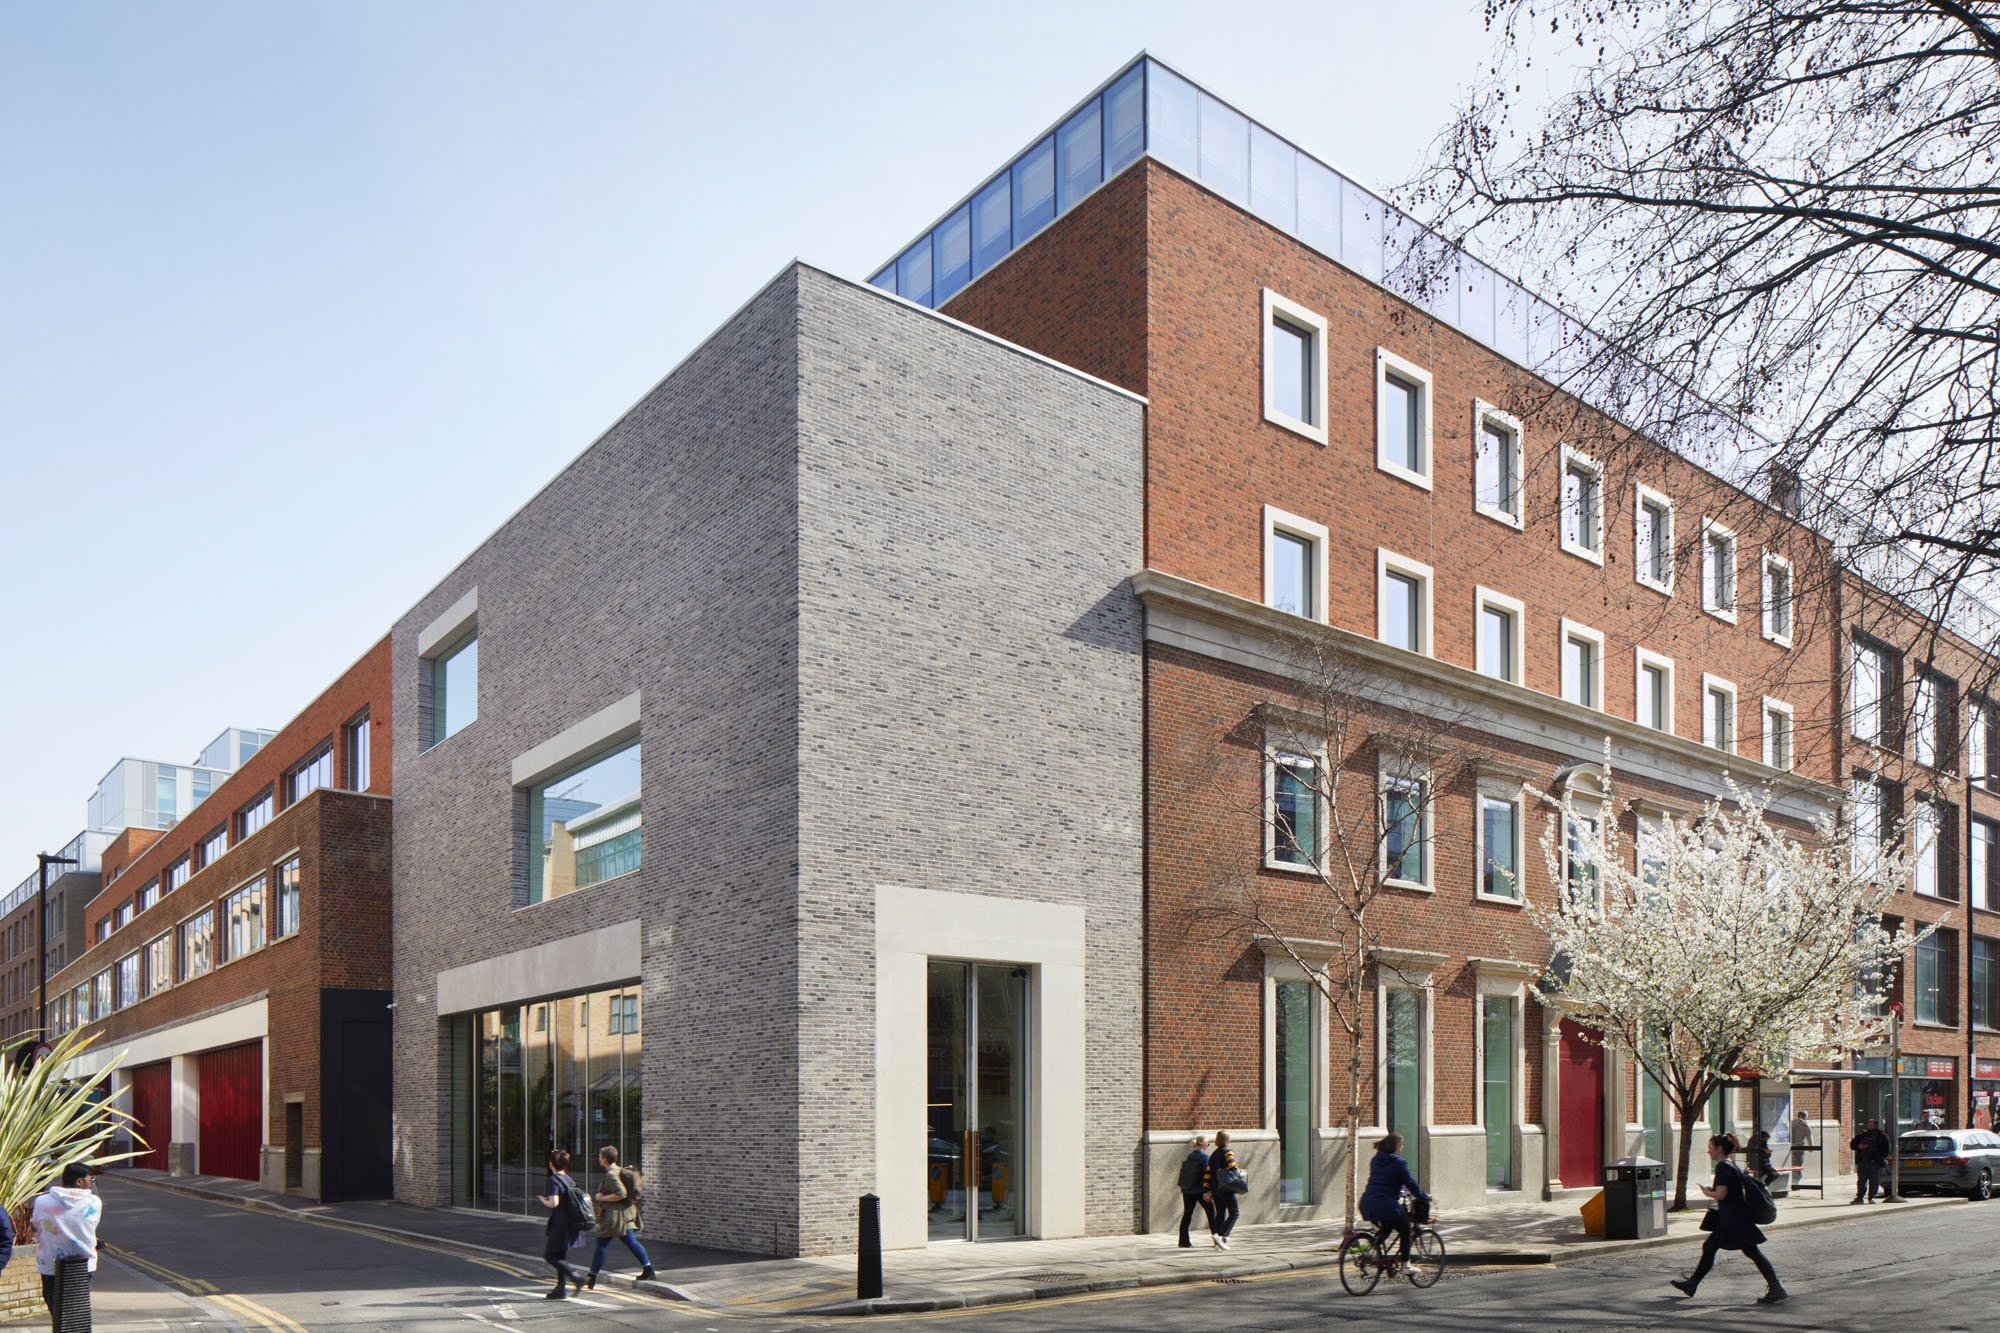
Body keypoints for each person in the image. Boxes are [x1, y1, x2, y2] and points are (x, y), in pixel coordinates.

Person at [1670, 1134, 1786, 1304]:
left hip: (1732, 1219)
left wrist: (1707, 1192)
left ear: (1719, 1149)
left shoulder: (1722, 1167)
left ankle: (1692, 1284)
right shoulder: (1731, 1165)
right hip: (1736, 1217)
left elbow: (1722, 1194)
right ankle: (1776, 1287)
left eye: (1710, 1147)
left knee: (1712, 1247)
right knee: (1749, 1252)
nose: (1708, 1151)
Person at [32, 1163, 102, 1331]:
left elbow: (37, 1226)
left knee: (55, 1307)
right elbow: (91, 1227)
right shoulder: (94, 1202)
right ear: (79, 1181)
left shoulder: (42, 1201)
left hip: (50, 1263)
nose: (92, 1182)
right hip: (83, 1264)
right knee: (78, 1310)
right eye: (90, 1179)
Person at [1359, 1133, 1431, 1268]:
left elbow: (1385, 1179)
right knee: (1406, 1230)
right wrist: (1422, 1196)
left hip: (1367, 1203)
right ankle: (1406, 1265)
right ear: (1397, 1146)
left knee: (1386, 1228)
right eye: (1401, 1145)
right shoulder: (1399, 1163)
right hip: (1386, 1205)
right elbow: (1410, 1182)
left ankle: (1370, 1253)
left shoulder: (1376, 1160)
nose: (1402, 1147)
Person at [586, 1146, 655, 1286]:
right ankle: (648, 1269)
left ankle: (591, 1277)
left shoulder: (611, 1174)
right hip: (626, 1213)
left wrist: (602, 1197)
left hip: (614, 1217)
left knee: (601, 1245)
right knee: (631, 1242)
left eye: (600, 1156)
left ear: (604, 1159)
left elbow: (621, 1193)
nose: (598, 1159)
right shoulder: (620, 1170)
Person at [534, 1148, 589, 1299]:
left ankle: (576, 1277)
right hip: (571, 1224)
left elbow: (554, 1202)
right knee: (560, 1256)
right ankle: (560, 1289)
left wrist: (544, 1201)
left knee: (550, 1256)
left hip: (561, 1225)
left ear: (551, 1164)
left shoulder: (553, 1179)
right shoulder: (569, 1179)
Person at [1202, 1131, 1241, 1249]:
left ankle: (1217, 1239)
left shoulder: (1213, 1154)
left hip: (1215, 1189)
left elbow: (1208, 1173)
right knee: (1234, 1212)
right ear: (1227, 1140)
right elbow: (1233, 1166)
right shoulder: (1228, 1152)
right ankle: (1223, 1235)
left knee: (1220, 1213)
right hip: (1226, 1187)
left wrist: (1207, 1189)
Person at [1176, 1134, 1215, 1249]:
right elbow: (1206, 1175)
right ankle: (1217, 1239)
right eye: (1208, 1144)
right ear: (1203, 1145)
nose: (1208, 1146)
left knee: (1187, 1214)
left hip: (1188, 1189)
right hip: (1200, 1190)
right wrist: (1207, 1191)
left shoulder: (1190, 1156)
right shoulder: (1205, 1157)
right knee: (1211, 1214)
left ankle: (1183, 1241)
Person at [1850, 1118, 1891, 1203]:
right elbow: (1852, 1144)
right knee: (1861, 1181)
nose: (1869, 1127)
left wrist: (1879, 1157)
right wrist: (1859, 1146)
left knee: (1874, 1181)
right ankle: (1860, 1197)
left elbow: (1886, 1149)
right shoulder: (1862, 1135)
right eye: (1868, 1125)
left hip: (1875, 1163)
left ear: (1875, 1126)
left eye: (1871, 1125)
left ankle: (1871, 1197)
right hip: (1863, 1162)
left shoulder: (1882, 1136)